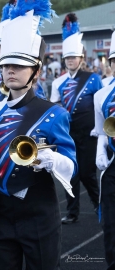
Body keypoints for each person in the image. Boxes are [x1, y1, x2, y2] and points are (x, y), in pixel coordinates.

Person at [0, 2, 77, 269]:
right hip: (0, 214)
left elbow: (71, 164)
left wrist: (53, 159)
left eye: (19, 65)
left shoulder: (54, 113)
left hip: (39, 213)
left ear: (37, 70)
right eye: (6, 64)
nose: (11, 70)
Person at [50, 13, 103, 224]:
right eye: (68, 58)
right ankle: (72, 213)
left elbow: (99, 104)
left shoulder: (93, 78)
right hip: (68, 135)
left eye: (74, 57)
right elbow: (56, 108)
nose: (71, 60)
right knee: (70, 174)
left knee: (89, 175)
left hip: (89, 134)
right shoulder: (58, 83)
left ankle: (101, 208)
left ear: (81, 59)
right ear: (64, 60)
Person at [94, 31, 115, 270]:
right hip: (112, 165)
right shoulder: (101, 95)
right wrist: (100, 152)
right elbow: (101, 130)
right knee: (111, 225)